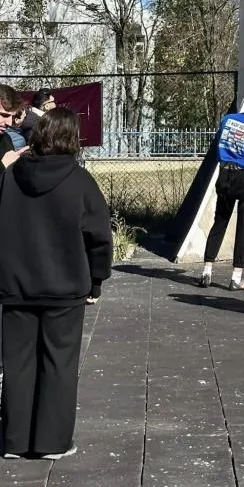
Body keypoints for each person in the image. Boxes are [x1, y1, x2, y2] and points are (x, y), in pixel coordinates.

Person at [0, 108, 112, 460]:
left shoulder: (11, 176)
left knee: (17, 363)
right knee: (59, 363)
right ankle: (52, 442)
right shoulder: (80, 181)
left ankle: (14, 440)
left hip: (15, 285)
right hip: (64, 287)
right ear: (72, 139)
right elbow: (99, 237)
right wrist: (96, 280)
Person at [199, 86, 244, 291]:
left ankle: (206, 271)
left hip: (225, 175)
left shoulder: (227, 120)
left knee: (219, 222)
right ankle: (236, 277)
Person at [0, 85, 25, 170]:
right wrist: (2, 165)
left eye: (12, 117)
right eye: (4, 115)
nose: (10, 123)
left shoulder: (6, 139)